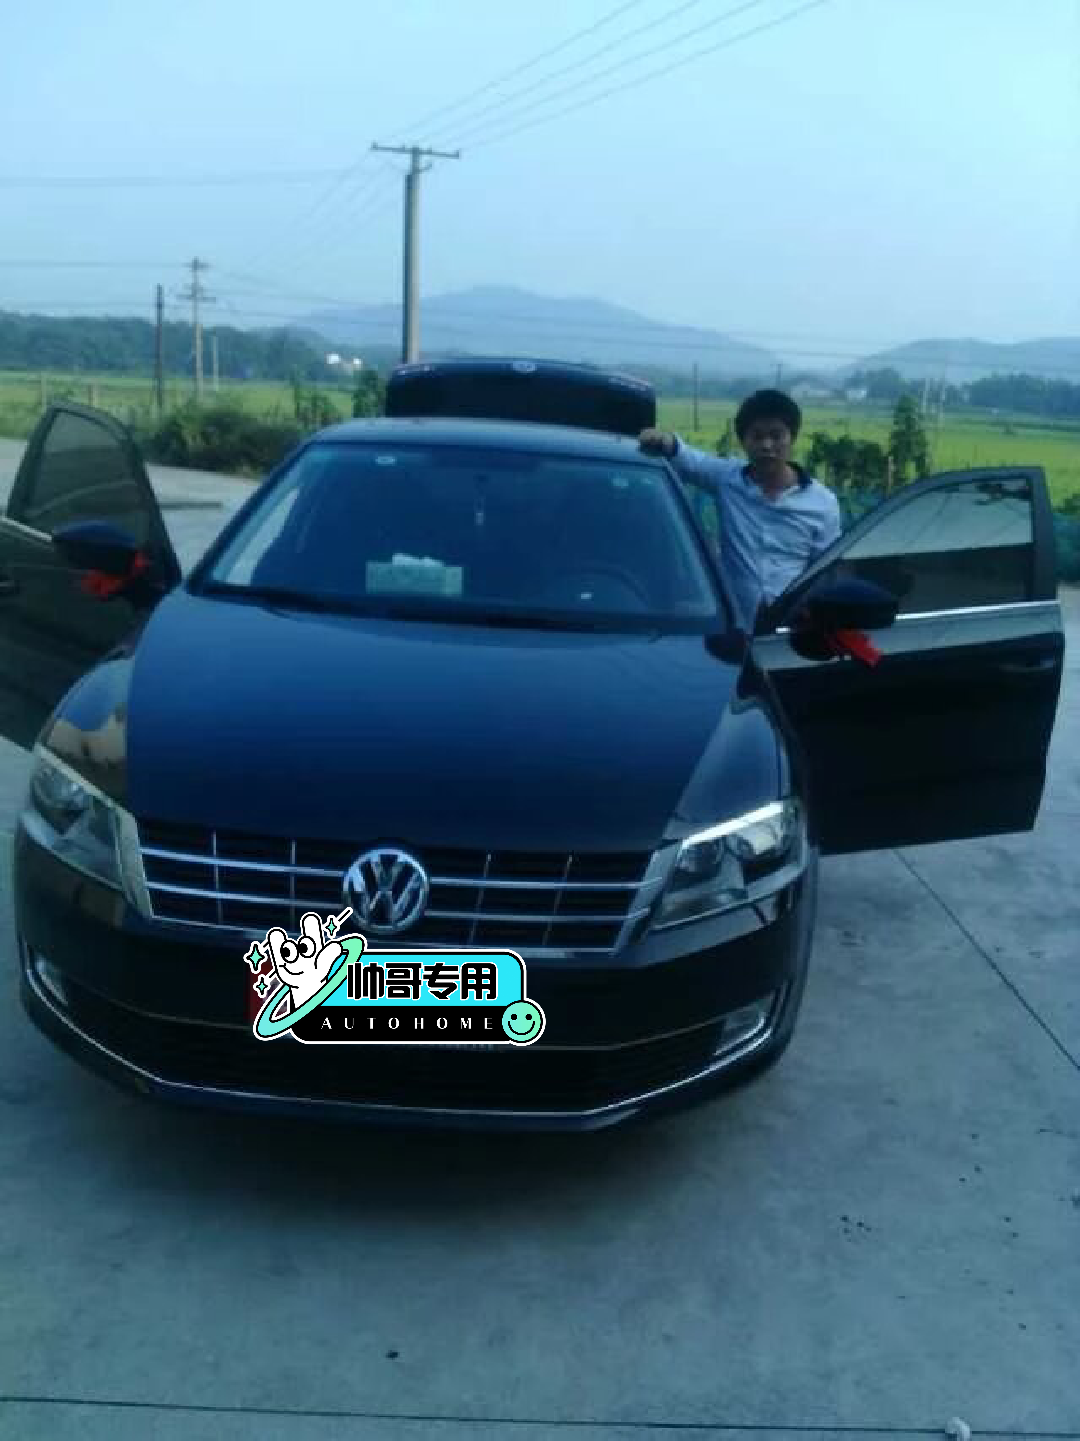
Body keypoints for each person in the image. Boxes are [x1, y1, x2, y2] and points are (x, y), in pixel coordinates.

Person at [639, 389, 842, 632]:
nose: (767, 445)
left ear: (792, 438)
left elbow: (825, 571)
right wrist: (663, 441)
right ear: (743, 441)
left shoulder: (823, 503)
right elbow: (690, 460)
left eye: (776, 436)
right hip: (732, 626)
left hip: (792, 631)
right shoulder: (728, 480)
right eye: (757, 436)